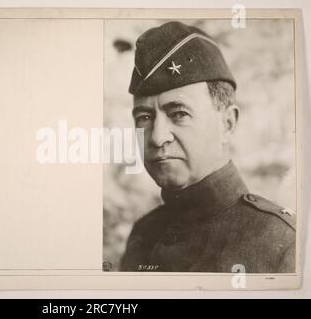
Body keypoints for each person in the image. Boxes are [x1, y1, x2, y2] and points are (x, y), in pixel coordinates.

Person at [120, 21, 296, 273]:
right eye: (144, 117)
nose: (157, 138)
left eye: (179, 113)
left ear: (227, 123)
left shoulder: (283, 243)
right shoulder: (144, 233)